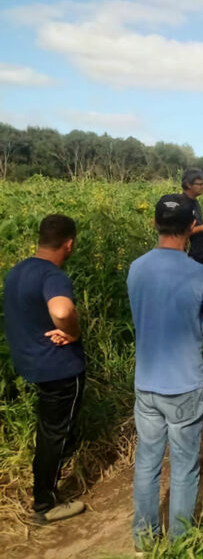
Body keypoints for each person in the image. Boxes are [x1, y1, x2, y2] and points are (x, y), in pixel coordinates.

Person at [128, 194, 203, 549]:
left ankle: (143, 541)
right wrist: (198, 322)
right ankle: (180, 543)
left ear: (155, 224)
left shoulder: (136, 268)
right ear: (190, 228)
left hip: (146, 384)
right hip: (184, 385)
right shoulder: (201, 274)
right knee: (184, 468)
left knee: (146, 463)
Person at [3, 215, 86, 523]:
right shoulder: (53, 276)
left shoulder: (17, 271)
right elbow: (62, 310)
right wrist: (74, 331)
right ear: (69, 244)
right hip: (60, 370)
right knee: (57, 435)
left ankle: (44, 489)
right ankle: (45, 504)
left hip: (32, 364)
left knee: (51, 431)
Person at [181, 168, 203, 264]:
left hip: (198, 257)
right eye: (200, 184)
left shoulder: (194, 202)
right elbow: (179, 232)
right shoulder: (182, 205)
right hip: (189, 259)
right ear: (188, 185)